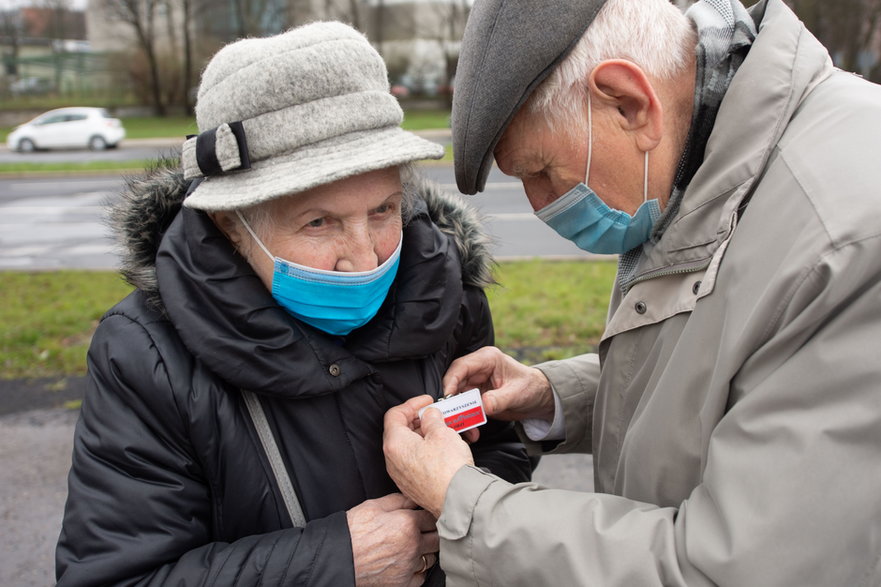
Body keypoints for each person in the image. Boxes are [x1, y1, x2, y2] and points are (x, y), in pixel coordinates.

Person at [383, 0, 881, 584]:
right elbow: (738, 375)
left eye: (541, 171)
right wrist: (553, 395)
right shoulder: (709, 171)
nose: (540, 207)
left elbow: (735, 569)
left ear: (628, 102)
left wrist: (463, 502)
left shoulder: (843, 237)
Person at [55, 22, 532, 586]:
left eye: (382, 210)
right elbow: (115, 577)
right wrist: (334, 564)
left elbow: (501, 448)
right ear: (232, 224)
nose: (363, 257)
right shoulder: (146, 354)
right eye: (318, 221)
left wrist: (459, 505)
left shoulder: (441, 289)